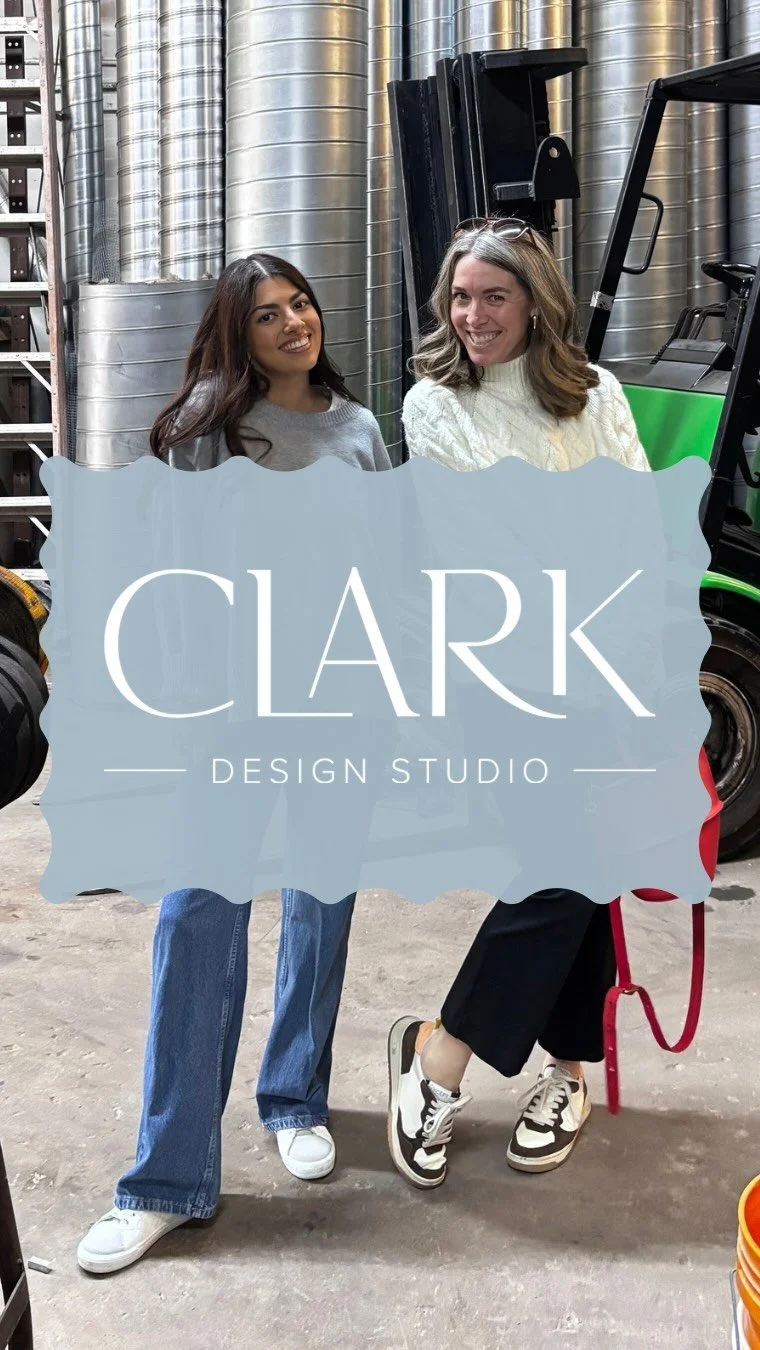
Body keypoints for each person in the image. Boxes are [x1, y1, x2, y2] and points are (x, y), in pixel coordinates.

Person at [77, 253, 391, 1274]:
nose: (294, 322)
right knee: (196, 921)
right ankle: (166, 1179)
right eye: (267, 314)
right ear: (236, 331)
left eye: (300, 303)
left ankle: (294, 1095)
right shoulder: (205, 435)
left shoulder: (358, 429)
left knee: (320, 906)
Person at [386, 217, 651, 1190]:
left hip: (609, 672)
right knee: (562, 870)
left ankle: (566, 1072)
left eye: (493, 296)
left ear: (535, 301)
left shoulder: (597, 394)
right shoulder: (434, 405)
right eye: (460, 298)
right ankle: (442, 1054)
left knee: (579, 871)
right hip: (505, 682)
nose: (472, 315)